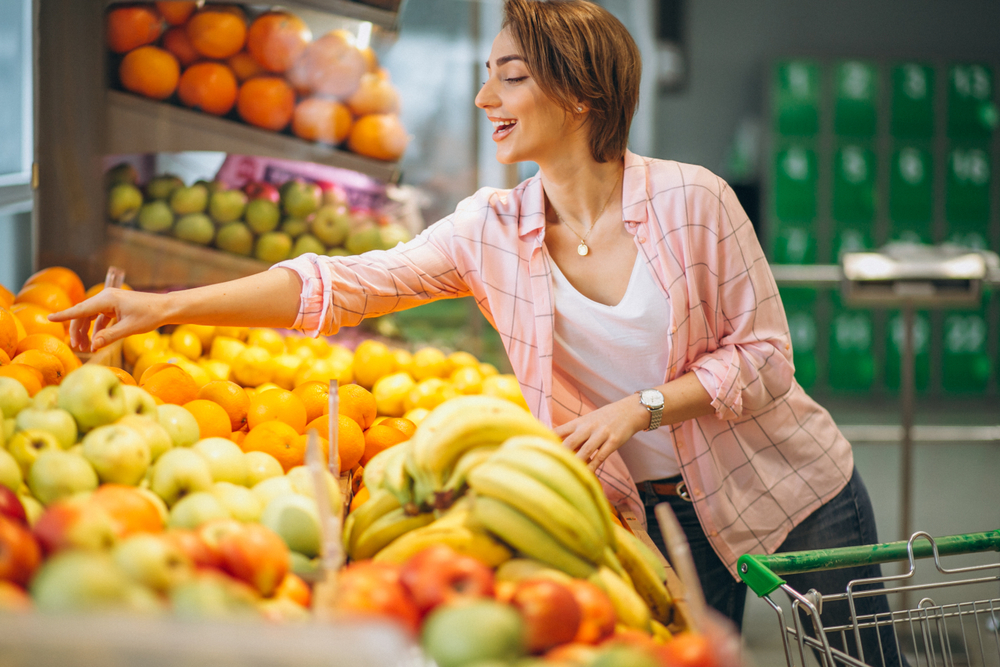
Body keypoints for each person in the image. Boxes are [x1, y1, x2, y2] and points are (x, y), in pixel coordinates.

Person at [53, 1, 902, 663]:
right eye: (483, 74)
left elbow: (763, 357)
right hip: (646, 518)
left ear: (580, 92)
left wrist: (641, 407)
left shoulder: (694, 201)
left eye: (509, 77)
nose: (482, 97)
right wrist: (165, 306)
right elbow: (341, 284)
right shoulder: (489, 227)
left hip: (789, 493)